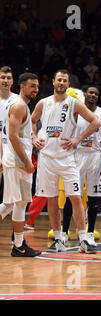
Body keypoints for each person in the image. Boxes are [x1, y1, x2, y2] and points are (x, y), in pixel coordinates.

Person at [31, 69, 101, 254]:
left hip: (68, 159)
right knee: (52, 200)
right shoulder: (43, 103)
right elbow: (30, 121)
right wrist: (33, 137)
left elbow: (95, 122)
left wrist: (78, 139)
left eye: (65, 80)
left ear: (68, 84)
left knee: (76, 198)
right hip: (46, 158)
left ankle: (84, 238)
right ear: (53, 82)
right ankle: (59, 238)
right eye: (59, 80)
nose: (61, 83)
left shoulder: (74, 104)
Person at [61, 86, 101, 247]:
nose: (93, 95)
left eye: (96, 93)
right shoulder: (76, 111)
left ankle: (90, 232)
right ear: (85, 95)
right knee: (72, 194)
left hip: (95, 157)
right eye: (90, 92)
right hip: (78, 155)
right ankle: (64, 232)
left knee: (93, 198)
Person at [2, 72, 41, 257]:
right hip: (18, 162)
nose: (36, 89)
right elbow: (12, 136)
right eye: (32, 86)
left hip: (15, 161)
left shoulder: (19, 105)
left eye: (37, 86)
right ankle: (18, 245)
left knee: (13, 203)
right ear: (22, 86)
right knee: (18, 204)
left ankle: (19, 244)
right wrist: (27, 161)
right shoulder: (18, 106)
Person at [0, 66, 18, 222]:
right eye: (2, 77)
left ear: (12, 81)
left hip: (10, 151)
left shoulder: (18, 100)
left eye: (8, 78)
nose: (5, 80)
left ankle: (17, 239)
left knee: (13, 200)